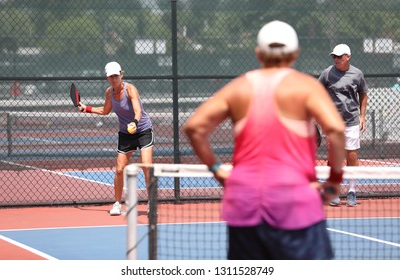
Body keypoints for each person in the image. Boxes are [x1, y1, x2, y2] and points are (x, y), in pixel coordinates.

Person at [183, 20, 346, 260]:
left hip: (243, 204)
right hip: (295, 204)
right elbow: (336, 129)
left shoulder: (238, 88)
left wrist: (218, 170)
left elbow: (194, 127)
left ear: (259, 53)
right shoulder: (306, 87)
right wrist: (333, 181)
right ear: (295, 53)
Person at [78, 61, 154, 216]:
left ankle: (152, 202)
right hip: (125, 135)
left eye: (115, 75)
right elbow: (106, 111)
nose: (113, 79)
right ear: (107, 78)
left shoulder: (130, 89)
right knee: (119, 169)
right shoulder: (109, 93)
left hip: (143, 130)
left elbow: (138, 110)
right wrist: (87, 108)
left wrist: (134, 122)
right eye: (110, 77)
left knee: (146, 166)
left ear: (121, 74)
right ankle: (117, 203)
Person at [319, 44, 368, 207]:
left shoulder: (357, 74)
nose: (336, 59)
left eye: (339, 56)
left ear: (348, 56)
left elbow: (363, 93)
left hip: (352, 121)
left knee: (351, 155)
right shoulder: (327, 73)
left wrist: (362, 116)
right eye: (334, 56)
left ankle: (352, 190)